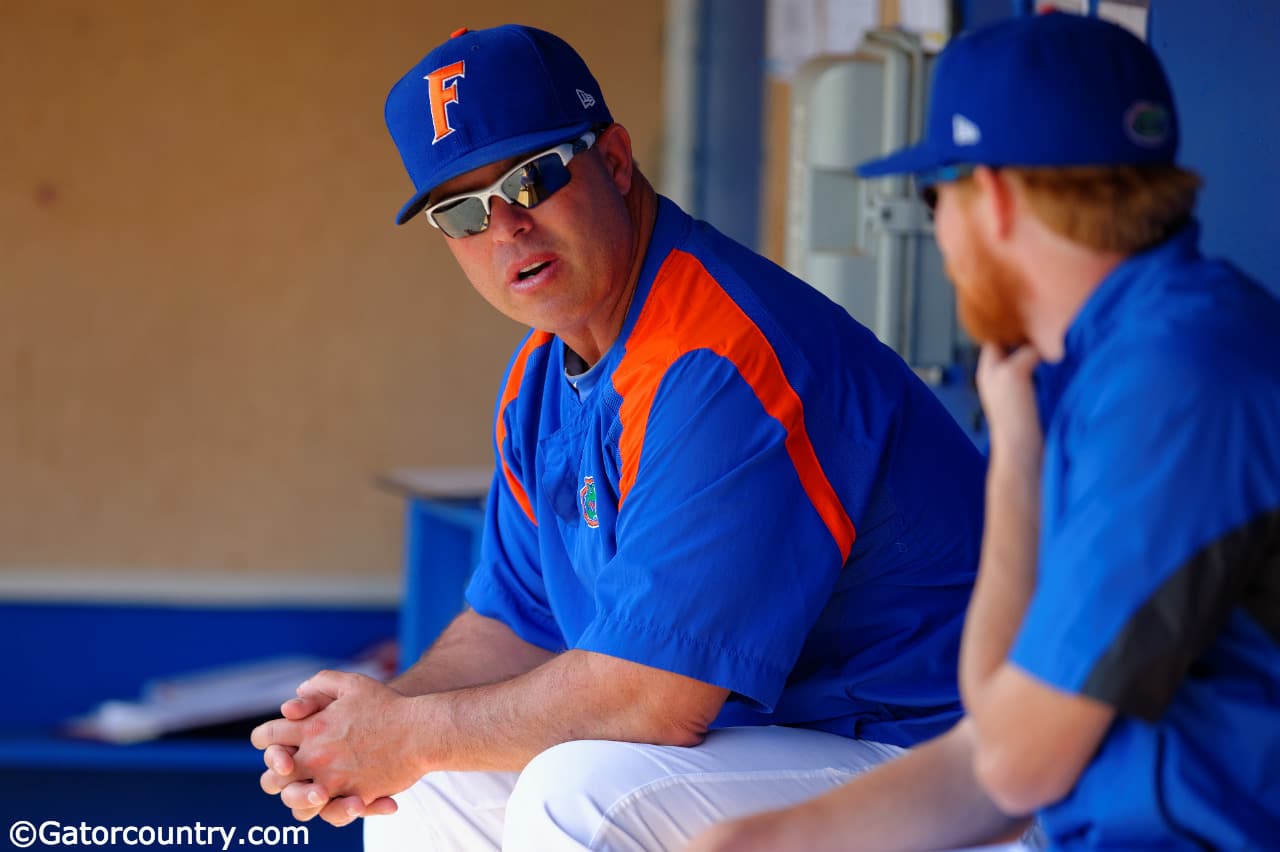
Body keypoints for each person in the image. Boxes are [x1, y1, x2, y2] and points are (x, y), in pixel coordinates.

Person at [250, 23, 987, 850]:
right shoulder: (541, 378)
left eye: (532, 181)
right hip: (785, 748)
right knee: (430, 787)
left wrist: (409, 736)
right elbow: (514, 624)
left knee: (583, 794)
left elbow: (654, 701)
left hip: (948, 765)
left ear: (615, 159)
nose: (506, 229)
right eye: (460, 211)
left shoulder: (723, 354)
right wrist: (370, 731)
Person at [691, 11, 1280, 851]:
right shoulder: (1120, 357)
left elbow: (1009, 764)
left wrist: (1011, 464)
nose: (939, 233)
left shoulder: (1175, 380)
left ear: (992, 197)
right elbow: (991, 752)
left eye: (938, 196)